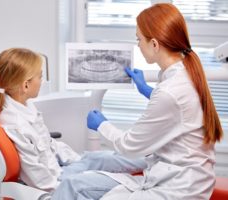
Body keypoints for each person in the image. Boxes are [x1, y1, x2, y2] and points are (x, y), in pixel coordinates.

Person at [53, 3, 223, 200]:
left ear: (154, 44)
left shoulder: (170, 90)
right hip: (178, 175)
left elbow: (129, 146)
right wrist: (147, 91)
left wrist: (101, 125)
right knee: (76, 182)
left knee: (78, 186)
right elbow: (181, 109)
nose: (137, 45)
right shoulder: (183, 75)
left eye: (139, 39)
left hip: (178, 188)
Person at [0, 47, 145, 194]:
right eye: (40, 76)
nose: (42, 81)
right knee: (107, 180)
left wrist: (79, 160)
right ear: (26, 85)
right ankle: (147, 180)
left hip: (60, 169)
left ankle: (152, 163)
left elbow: (47, 143)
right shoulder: (16, 124)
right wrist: (74, 183)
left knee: (101, 157)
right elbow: (39, 178)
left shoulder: (25, 105)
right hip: (56, 182)